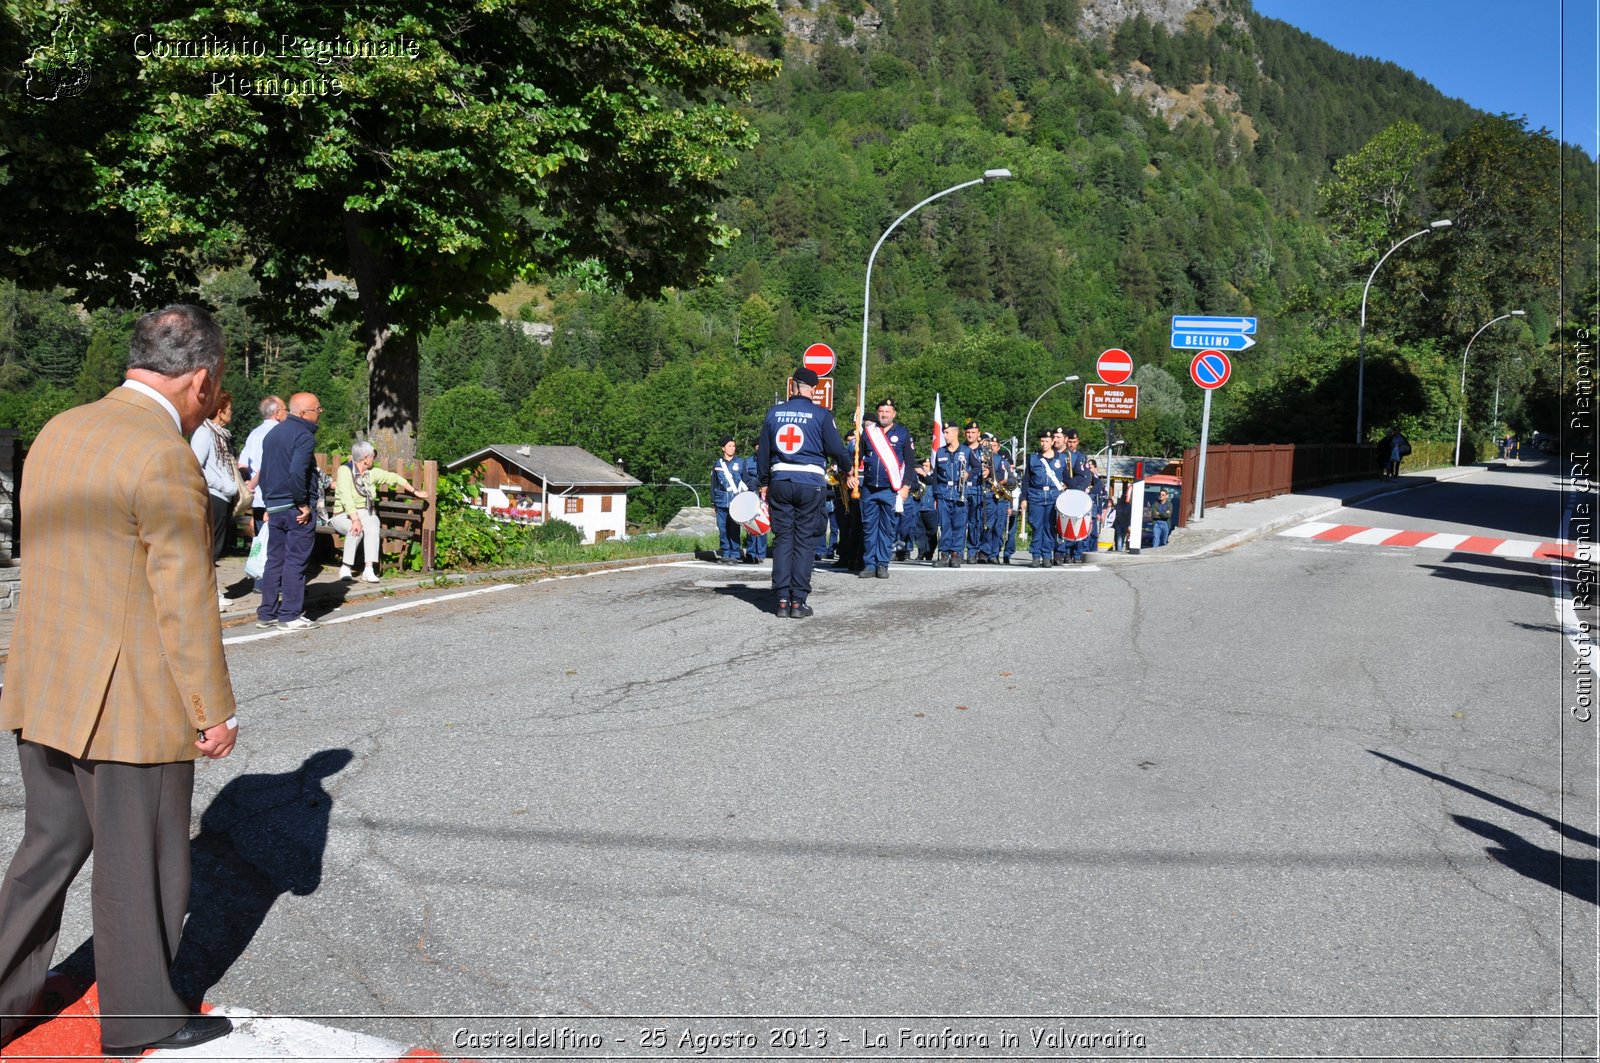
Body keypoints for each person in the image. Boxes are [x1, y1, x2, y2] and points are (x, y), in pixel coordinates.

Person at [0, 304, 238, 1057]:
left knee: (48, 847)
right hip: (127, 698)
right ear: (200, 377)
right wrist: (212, 709)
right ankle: (141, 1015)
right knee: (144, 859)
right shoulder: (164, 452)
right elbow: (184, 591)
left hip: (43, 682)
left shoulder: (60, 431)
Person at [755, 367, 850, 617]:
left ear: (793, 387)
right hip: (810, 482)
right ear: (813, 390)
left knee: (784, 539)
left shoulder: (774, 413)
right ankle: (798, 602)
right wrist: (848, 468)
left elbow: (762, 452)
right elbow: (837, 450)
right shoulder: (821, 414)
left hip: (780, 481)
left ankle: (782, 601)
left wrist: (764, 481)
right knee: (805, 540)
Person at [255, 392, 322, 630]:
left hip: (275, 506)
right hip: (296, 508)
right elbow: (297, 473)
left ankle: (266, 613)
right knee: (295, 561)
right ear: (303, 413)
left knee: (274, 560)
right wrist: (302, 503)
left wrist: (269, 504)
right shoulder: (304, 436)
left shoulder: (272, 434)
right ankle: (290, 615)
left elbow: (264, 472)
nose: (320, 413)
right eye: (317, 409)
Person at [330, 441, 427, 582]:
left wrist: (415, 491)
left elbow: (394, 478)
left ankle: (368, 569)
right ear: (365, 458)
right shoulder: (345, 470)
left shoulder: (371, 474)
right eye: (372, 457)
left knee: (373, 524)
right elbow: (346, 498)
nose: (373, 459)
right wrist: (355, 519)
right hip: (343, 514)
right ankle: (346, 567)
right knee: (356, 528)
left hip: (365, 512)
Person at [855, 397, 917, 579]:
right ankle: (869, 564)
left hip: (890, 489)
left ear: (894, 414)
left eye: (887, 412)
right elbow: (857, 458)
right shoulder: (869, 433)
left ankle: (882, 564)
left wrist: (906, 486)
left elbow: (910, 463)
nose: (883, 414)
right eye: (881, 411)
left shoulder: (903, 433)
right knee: (868, 527)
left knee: (887, 528)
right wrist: (851, 474)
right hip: (869, 488)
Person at [190, 390, 240, 604]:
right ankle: (209, 593)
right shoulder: (204, 433)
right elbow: (196, 465)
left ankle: (211, 590)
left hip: (224, 497)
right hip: (214, 496)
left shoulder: (220, 435)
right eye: (229, 410)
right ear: (220, 412)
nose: (232, 413)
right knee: (212, 546)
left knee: (218, 546)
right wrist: (223, 484)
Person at [237, 395, 287, 536]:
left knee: (261, 540)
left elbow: (242, 464)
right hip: (278, 498)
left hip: (258, 498)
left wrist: (248, 483)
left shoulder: (254, 434)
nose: (287, 413)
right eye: (285, 409)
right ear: (277, 413)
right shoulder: (281, 433)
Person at [929, 422, 976, 567]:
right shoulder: (940, 452)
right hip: (943, 494)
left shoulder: (966, 451)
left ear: (955, 433)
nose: (944, 435)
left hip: (959, 494)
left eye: (947, 432)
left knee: (959, 525)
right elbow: (935, 476)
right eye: (944, 432)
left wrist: (969, 474)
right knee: (945, 525)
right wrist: (935, 496)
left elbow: (978, 467)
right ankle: (944, 554)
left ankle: (956, 554)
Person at [1026, 428, 1065, 567]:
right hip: (1036, 495)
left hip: (1053, 497)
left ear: (1052, 441)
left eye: (1047, 441)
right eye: (1042, 441)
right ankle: (1036, 555)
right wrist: (1024, 499)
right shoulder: (1033, 458)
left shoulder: (1061, 458)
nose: (1044, 443)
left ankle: (1047, 555)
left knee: (1049, 527)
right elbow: (1026, 480)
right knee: (1037, 526)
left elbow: (1067, 478)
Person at [710, 435, 747, 563]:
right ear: (723, 448)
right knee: (722, 528)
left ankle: (735, 554)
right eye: (729, 446)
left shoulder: (741, 463)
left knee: (734, 528)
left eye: (734, 446)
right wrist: (713, 501)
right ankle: (725, 553)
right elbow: (713, 483)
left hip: (735, 501)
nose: (732, 448)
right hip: (721, 500)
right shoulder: (717, 464)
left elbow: (746, 481)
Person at [739, 451, 768, 563]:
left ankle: (760, 554)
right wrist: (754, 486)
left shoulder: (769, 460)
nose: (759, 448)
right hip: (751, 494)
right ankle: (750, 553)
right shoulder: (747, 461)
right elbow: (745, 478)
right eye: (757, 446)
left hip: (764, 495)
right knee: (750, 525)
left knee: (762, 524)